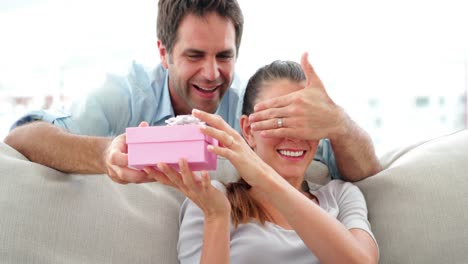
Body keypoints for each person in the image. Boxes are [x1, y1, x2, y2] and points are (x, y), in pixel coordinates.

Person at [4, 0, 381, 184]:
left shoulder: (252, 110)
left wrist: (340, 124)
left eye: (224, 56)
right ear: (164, 53)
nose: (213, 73)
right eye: (195, 55)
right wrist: (106, 151)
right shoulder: (128, 95)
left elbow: (363, 173)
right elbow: (23, 136)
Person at [146, 57, 379, 263]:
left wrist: (264, 177)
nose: (293, 136)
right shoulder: (211, 199)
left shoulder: (341, 196)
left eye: (303, 122)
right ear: (248, 131)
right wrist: (217, 216)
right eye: (278, 120)